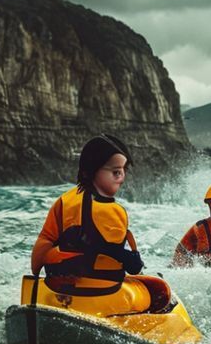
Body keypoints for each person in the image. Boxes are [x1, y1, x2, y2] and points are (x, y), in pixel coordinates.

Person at [30, 134, 165, 315]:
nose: (122, 178)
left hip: (59, 291)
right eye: (116, 172)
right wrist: (136, 263)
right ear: (90, 172)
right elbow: (127, 263)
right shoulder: (114, 210)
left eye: (123, 171)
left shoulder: (63, 202)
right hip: (104, 294)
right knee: (155, 296)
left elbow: (43, 245)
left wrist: (38, 277)